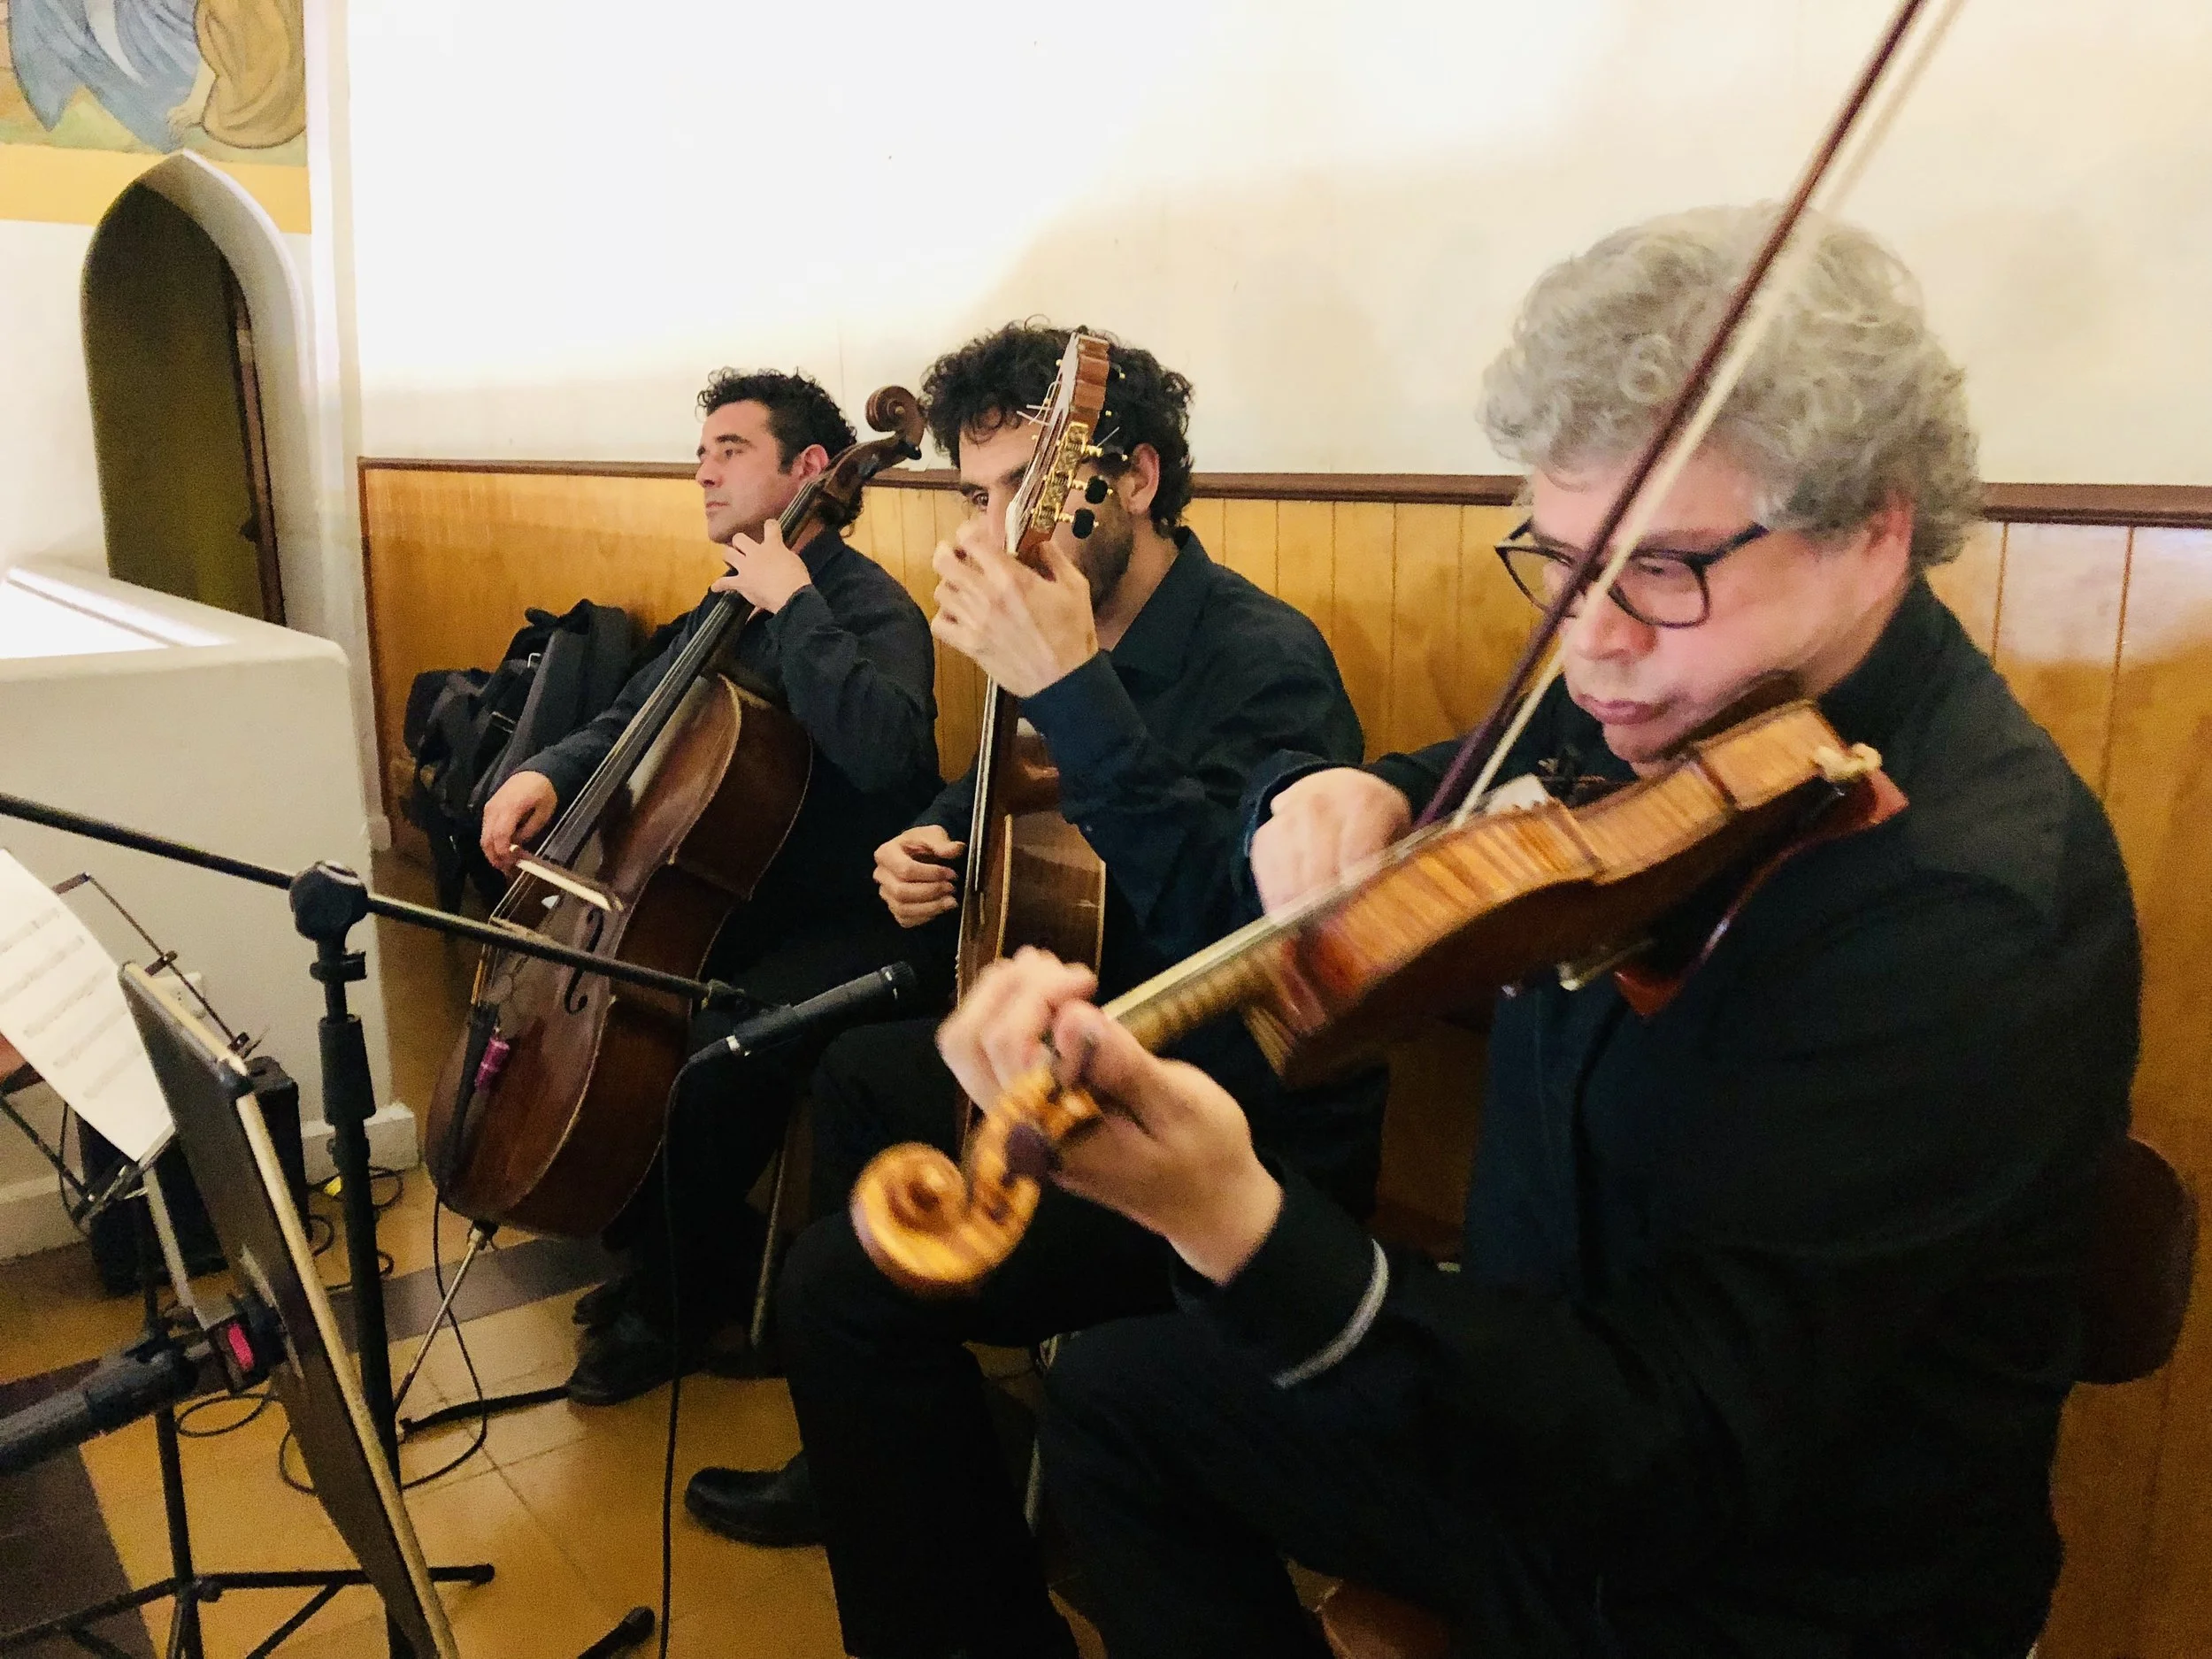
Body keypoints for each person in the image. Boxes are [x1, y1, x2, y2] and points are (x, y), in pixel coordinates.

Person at [940, 208, 2142, 1658]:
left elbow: (1667, 1457)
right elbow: (1444, 779)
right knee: (1121, 1412)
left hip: (1759, 1572)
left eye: (1663, 569)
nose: (1592, 647)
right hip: (1540, 1392)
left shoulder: (1967, 913)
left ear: (1874, 526)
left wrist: (1225, 1216)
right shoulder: (1663, 693)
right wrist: (1349, 789)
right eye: (1562, 565)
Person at [682, 323, 1388, 1659]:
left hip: (1208, 1114)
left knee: (841, 1286)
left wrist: (1069, 685)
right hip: (1069, 1045)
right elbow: (1002, 794)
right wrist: (926, 847)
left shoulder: (1259, 657)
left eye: (1025, 487)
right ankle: (878, 1449)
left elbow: (1249, 945)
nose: (1000, 524)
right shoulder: (1039, 626)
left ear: (1126, 477)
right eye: (976, 492)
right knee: (856, 1071)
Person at [475, 368, 941, 1404]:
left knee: (710, 1057)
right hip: (731, 901)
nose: (703, 471)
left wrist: (798, 606)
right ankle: (684, 1255)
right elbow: (633, 713)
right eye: (701, 452)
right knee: (619, 1021)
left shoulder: (869, 608)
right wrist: (545, 774)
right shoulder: (723, 600)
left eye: (730, 449)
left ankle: (678, 1304)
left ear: (810, 469)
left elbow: (887, 754)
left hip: (858, 916)